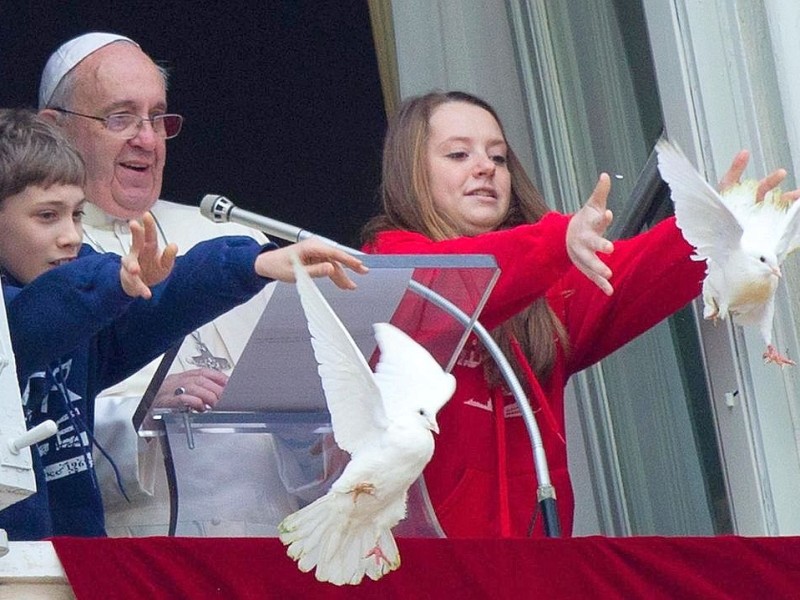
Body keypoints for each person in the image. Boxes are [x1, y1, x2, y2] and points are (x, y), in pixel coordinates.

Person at [361, 90, 796, 538]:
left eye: (499, 157)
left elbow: (633, 271)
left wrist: (722, 232)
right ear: (410, 173)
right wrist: (556, 239)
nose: (486, 167)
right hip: (422, 569)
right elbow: (455, 283)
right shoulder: (388, 265)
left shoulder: (547, 287)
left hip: (535, 569)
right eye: (458, 153)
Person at [0, 108, 366, 539]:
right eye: (47, 216)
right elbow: (30, 323)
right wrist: (115, 279)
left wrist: (256, 263)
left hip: (70, 563)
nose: (72, 236)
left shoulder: (84, 303)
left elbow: (166, 300)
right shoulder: (63, 301)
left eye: (77, 214)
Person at [36, 32, 293, 536]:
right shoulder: (33, 251)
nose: (148, 140)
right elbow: (30, 420)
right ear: (55, 130)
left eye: (158, 117)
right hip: (133, 551)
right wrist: (139, 413)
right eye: (120, 117)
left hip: (274, 542)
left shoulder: (232, 234)